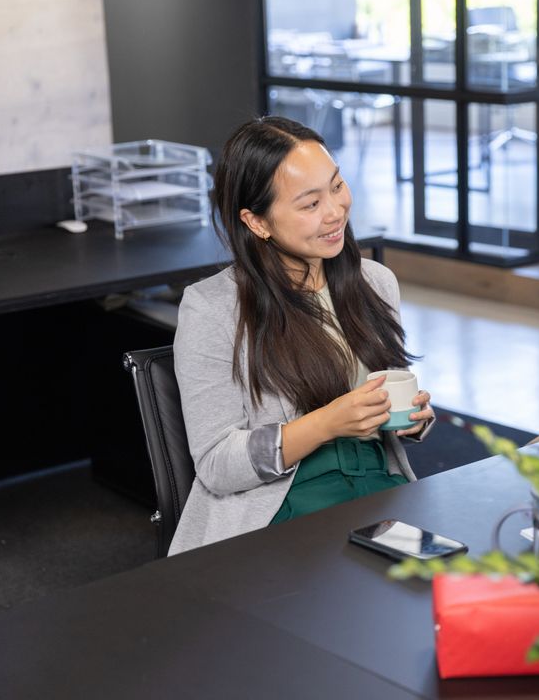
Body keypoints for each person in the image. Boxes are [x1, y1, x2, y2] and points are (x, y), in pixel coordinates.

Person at [169, 117, 434, 555]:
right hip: (280, 505)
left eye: (337, 186)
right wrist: (327, 423)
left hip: (378, 487)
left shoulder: (375, 282)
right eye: (310, 204)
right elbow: (217, 463)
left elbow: (389, 392)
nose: (335, 211)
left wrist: (411, 417)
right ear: (257, 222)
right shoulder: (212, 308)